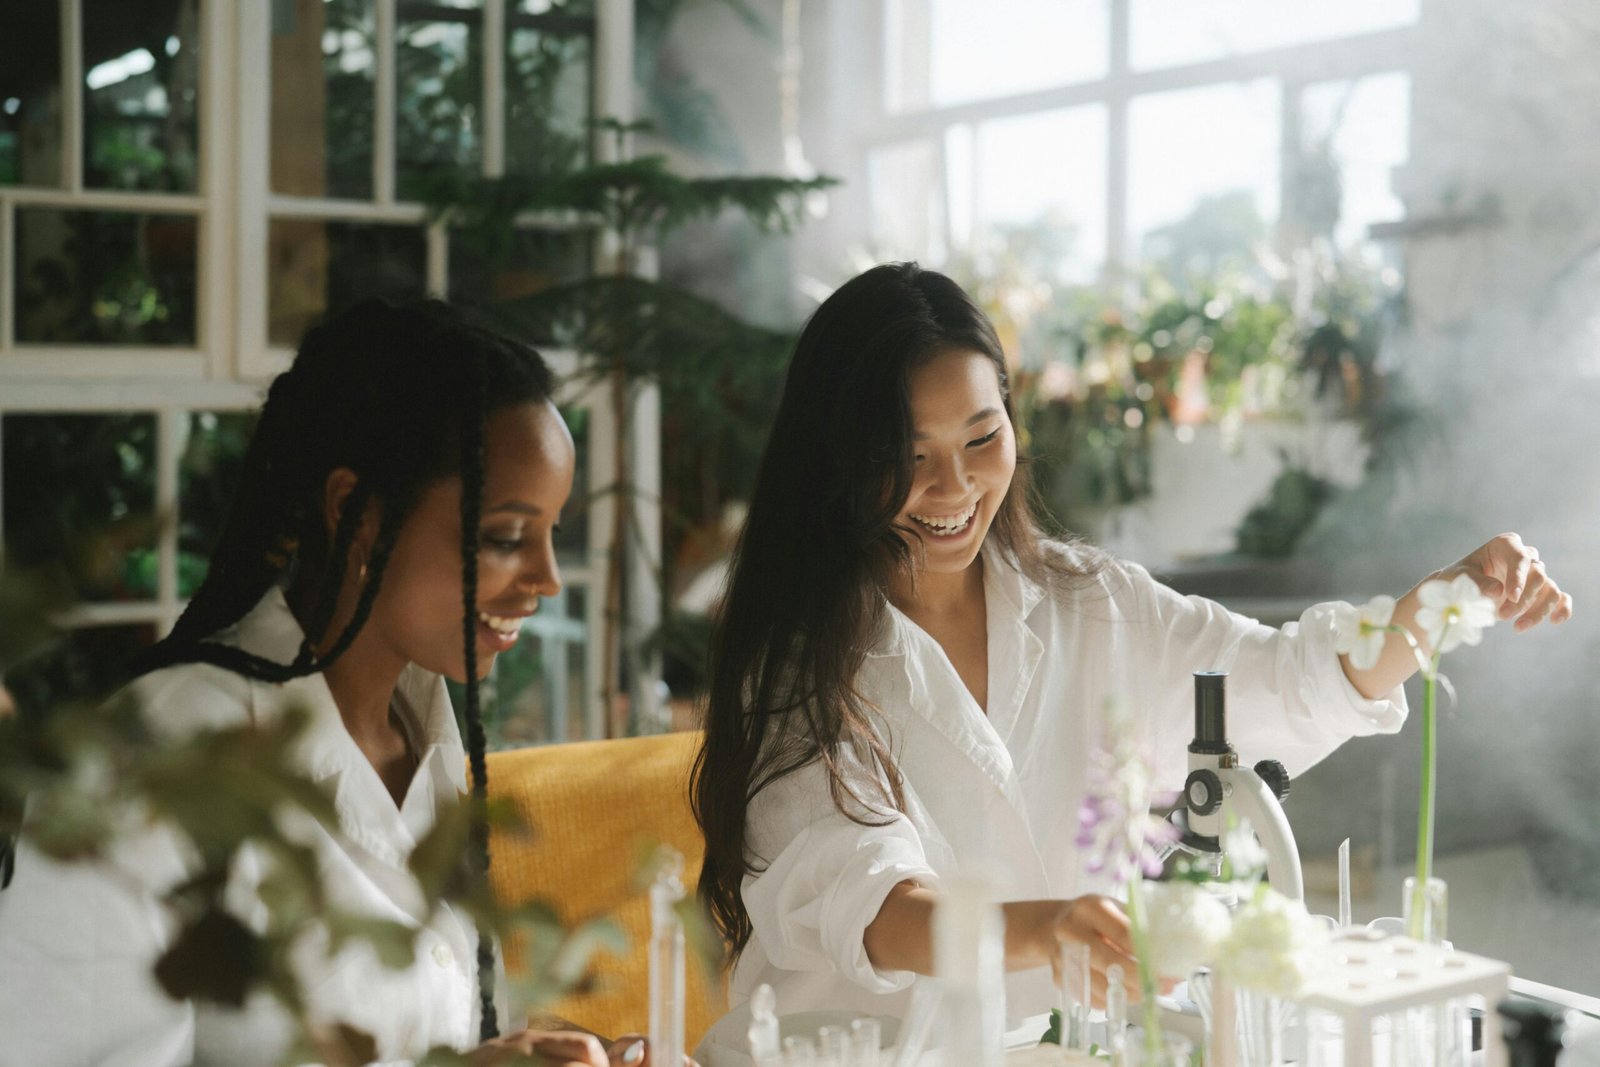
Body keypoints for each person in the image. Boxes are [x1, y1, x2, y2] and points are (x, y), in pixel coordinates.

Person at [689, 263, 1573, 1061]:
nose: (954, 490)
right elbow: (874, 911)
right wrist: (1050, 929)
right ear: (838, 461)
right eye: (906, 457)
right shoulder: (797, 664)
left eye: (980, 439)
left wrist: (1444, 601)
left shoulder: (1091, 601)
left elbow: (1278, 681)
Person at [0, 300, 657, 1066]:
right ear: (360, 512)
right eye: (505, 536)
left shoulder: (429, 744)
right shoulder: (155, 760)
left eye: (550, 534)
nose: (545, 579)